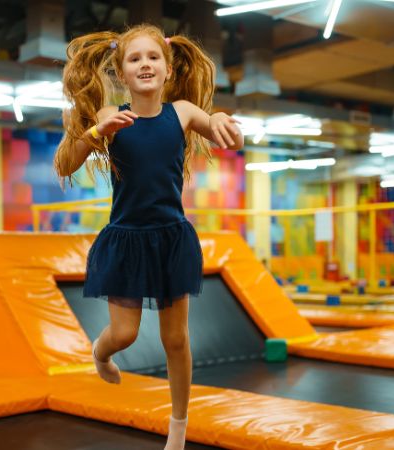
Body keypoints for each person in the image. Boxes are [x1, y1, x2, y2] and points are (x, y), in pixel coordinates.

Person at [54, 24, 243, 450]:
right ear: (121, 73)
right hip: (127, 240)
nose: (145, 64)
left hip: (171, 238)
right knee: (124, 336)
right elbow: (65, 164)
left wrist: (222, 120)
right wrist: (96, 134)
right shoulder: (109, 116)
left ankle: (178, 428)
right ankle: (101, 353)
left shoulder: (182, 112)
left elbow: (221, 130)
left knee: (175, 340)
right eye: (135, 58)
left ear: (168, 67)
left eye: (153, 57)